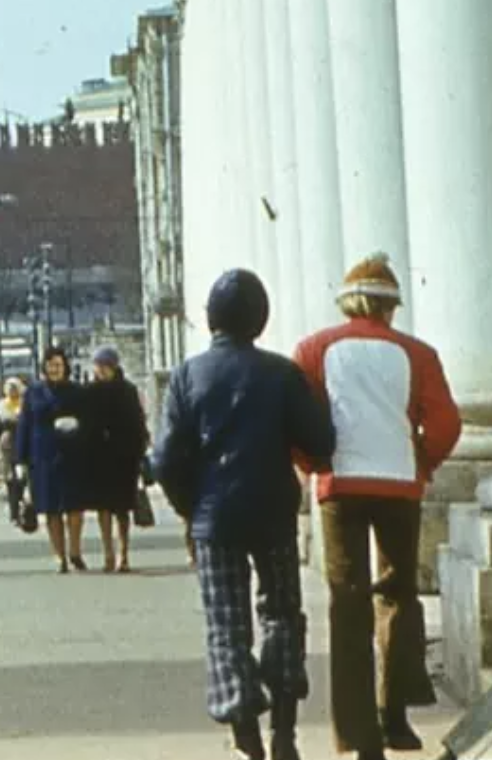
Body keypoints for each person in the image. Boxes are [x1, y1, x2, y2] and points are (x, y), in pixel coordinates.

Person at [156, 268, 335, 760]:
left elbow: (165, 459)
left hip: (213, 518)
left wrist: (189, 509)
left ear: (211, 319)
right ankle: (284, 733)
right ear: (261, 319)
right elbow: (321, 440)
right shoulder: (282, 373)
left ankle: (247, 740)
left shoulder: (187, 376)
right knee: (281, 614)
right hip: (274, 512)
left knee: (226, 624)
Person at [293, 253, 461, 760]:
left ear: (349, 304)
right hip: (399, 483)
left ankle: (356, 734)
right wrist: (422, 461)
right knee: (397, 594)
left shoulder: (315, 349)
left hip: (341, 484)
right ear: (391, 307)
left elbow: (299, 419)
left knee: (347, 604)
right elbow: (447, 424)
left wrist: (313, 464)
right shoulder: (418, 353)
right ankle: (397, 717)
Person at [18, 347, 97, 572]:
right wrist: (20, 459)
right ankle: (58, 555)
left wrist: (78, 427)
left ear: (66, 367)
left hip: (73, 454)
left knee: (74, 506)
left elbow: (88, 421)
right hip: (42, 455)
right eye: (50, 365)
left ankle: (75, 551)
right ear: (44, 367)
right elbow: (25, 424)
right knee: (50, 508)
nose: (55, 369)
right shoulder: (33, 392)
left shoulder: (76, 391)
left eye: (59, 365)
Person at [89, 346, 149, 574]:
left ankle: (124, 554)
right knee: (103, 508)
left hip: (125, 457)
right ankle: (108, 554)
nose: (101, 371)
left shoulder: (128, 390)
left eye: (105, 366)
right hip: (98, 457)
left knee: (122, 509)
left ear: (114, 367)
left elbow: (138, 421)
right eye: (98, 366)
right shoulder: (91, 391)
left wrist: (139, 448)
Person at [0, 376, 28, 528]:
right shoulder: (2, 406)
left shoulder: (25, 405)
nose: (12, 391)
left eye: (15, 388)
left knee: (22, 480)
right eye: (9, 388)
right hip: (6, 448)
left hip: (23, 446)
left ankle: (23, 508)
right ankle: (14, 514)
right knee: (10, 481)